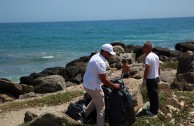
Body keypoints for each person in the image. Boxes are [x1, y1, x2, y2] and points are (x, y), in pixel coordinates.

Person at [81, 43, 120, 126]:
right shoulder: (101, 62)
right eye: (109, 54)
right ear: (104, 52)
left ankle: (84, 113)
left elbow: (101, 77)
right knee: (101, 108)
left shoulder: (96, 56)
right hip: (93, 87)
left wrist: (107, 82)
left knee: (97, 99)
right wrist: (114, 86)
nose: (110, 56)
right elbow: (103, 79)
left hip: (86, 84)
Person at [142, 42, 160, 115]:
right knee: (155, 94)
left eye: (144, 47)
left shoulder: (148, 57)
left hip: (150, 79)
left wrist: (144, 79)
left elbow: (147, 69)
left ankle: (153, 111)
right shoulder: (155, 56)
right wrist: (159, 76)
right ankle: (156, 108)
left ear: (148, 48)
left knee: (151, 95)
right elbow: (159, 67)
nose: (143, 48)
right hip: (155, 77)